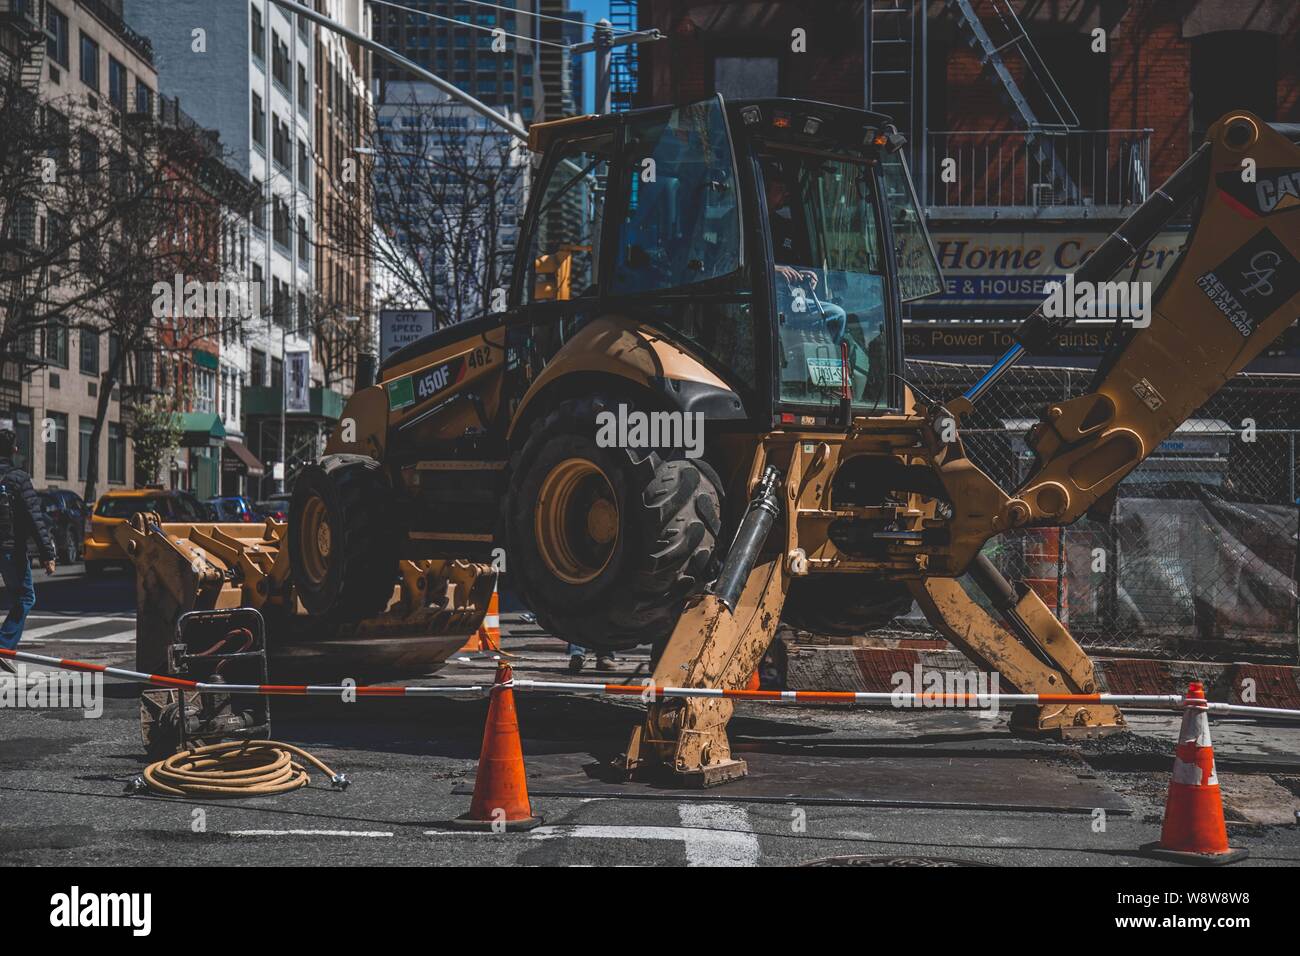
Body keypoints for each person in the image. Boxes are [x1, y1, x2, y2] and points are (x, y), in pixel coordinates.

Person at [0, 423, 56, 674]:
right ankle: (3, 646)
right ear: (13, 449)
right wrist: (48, 555)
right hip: (10, 547)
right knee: (25, 596)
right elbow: (35, 518)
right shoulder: (19, 478)